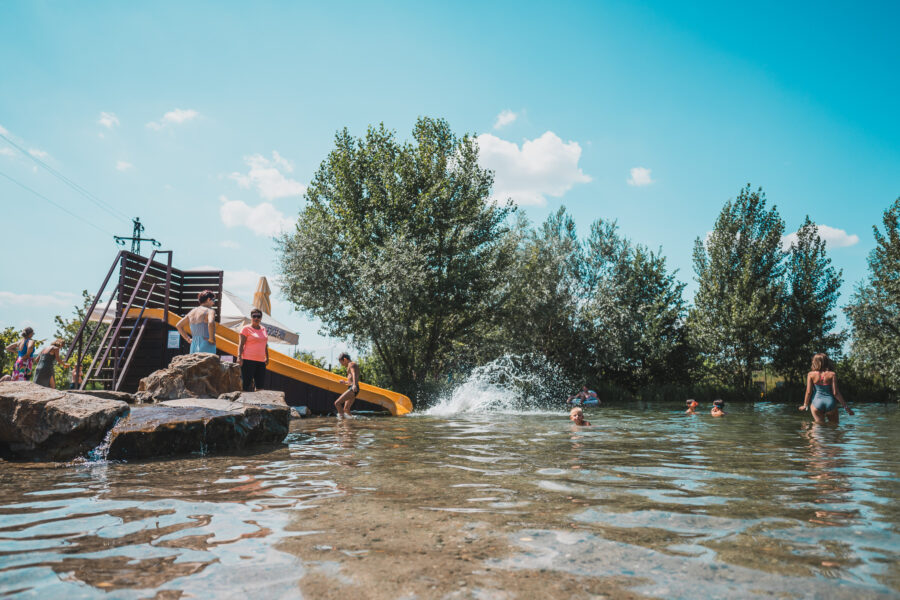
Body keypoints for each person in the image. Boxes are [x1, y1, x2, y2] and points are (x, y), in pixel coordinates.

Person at [799, 353, 853, 424]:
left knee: (818, 428)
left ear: (814, 362)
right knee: (834, 427)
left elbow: (809, 392)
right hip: (830, 403)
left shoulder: (811, 374)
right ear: (827, 362)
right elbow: (835, 393)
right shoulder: (832, 374)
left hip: (816, 403)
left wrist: (805, 405)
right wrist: (846, 408)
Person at [176, 290, 217, 354]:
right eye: (213, 300)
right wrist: (211, 338)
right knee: (208, 363)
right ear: (208, 299)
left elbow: (178, 325)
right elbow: (211, 323)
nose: (214, 303)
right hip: (206, 343)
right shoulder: (210, 311)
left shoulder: (192, 311)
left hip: (193, 345)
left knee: (194, 363)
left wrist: (188, 339)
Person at [238, 308, 268, 391]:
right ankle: (241, 403)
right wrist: (239, 357)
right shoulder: (246, 329)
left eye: (258, 316)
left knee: (260, 386)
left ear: (261, 318)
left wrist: (267, 357)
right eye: (254, 316)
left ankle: (257, 404)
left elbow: (265, 344)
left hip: (261, 361)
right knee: (245, 385)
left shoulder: (263, 329)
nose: (256, 318)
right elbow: (241, 344)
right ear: (251, 317)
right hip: (248, 360)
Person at [334, 352, 360, 417]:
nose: (342, 365)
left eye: (341, 362)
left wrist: (354, 385)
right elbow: (351, 379)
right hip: (353, 387)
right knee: (346, 409)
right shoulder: (351, 365)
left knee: (337, 403)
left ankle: (342, 421)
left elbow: (354, 374)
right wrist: (345, 382)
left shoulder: (351, 364)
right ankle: (350, 422)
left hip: (353, 388)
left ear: (345, 359)